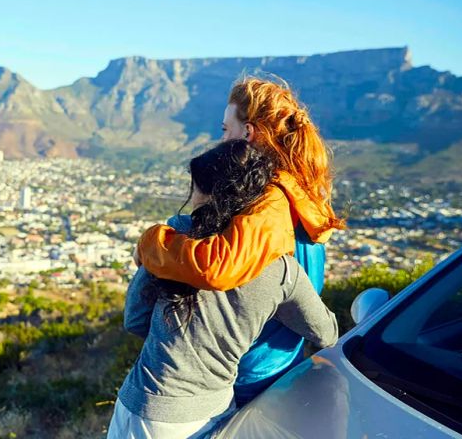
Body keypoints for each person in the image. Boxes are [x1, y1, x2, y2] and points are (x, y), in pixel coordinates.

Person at [107, 140, 338, 439]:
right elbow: (326, 333)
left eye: (196, 190)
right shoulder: (282, 271)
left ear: (211, 196)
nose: (191, 200)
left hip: (134, 401)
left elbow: (135, 319)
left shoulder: (173, 243)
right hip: (199, 417)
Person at [136, 77, 345, 406]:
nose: (221, 140)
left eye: (224, 129)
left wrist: (153, 242)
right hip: (283, 366)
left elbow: (216, 267)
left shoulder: (266, 203)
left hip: (249, 376)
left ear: (247, 133)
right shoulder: (303, 198)